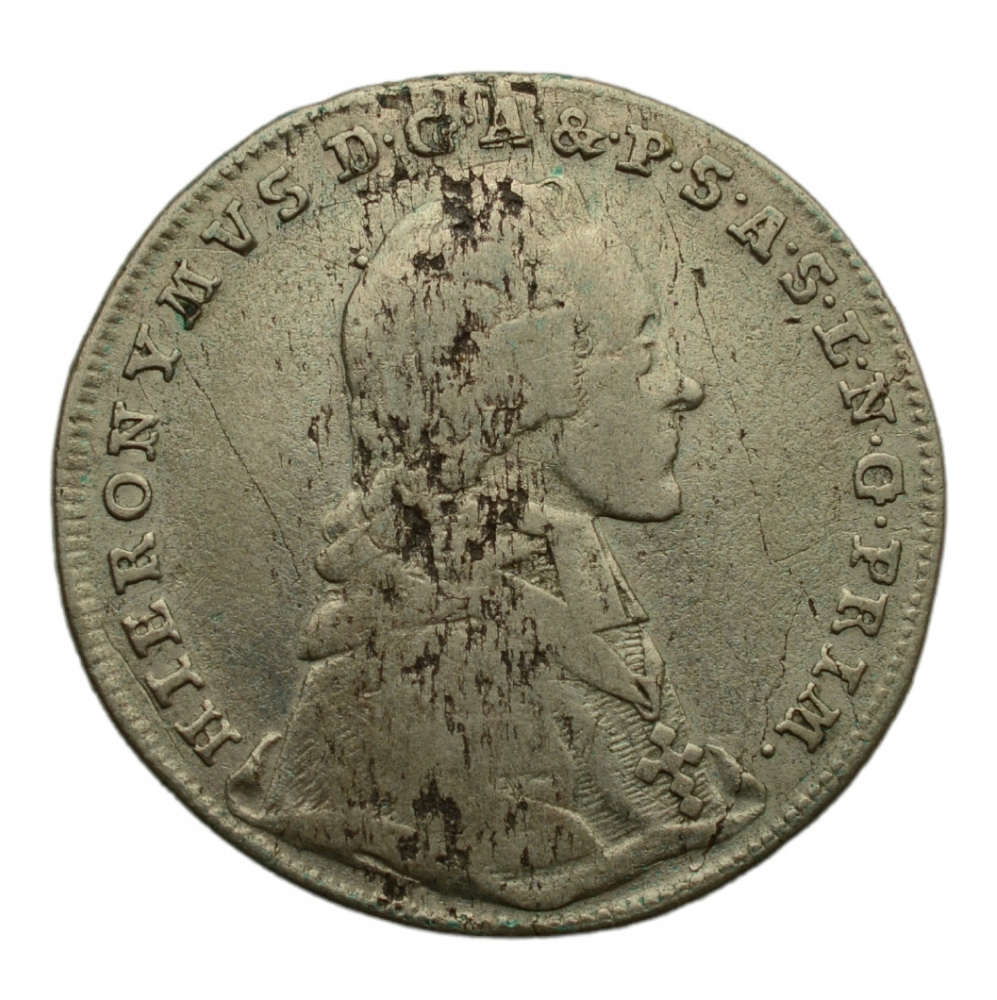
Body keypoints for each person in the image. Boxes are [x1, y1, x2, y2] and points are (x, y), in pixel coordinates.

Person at [228, 172, 765, 910]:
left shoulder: (568, 583)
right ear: (532, 387)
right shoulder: (410, 698)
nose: (684, 387)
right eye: (643, 349)